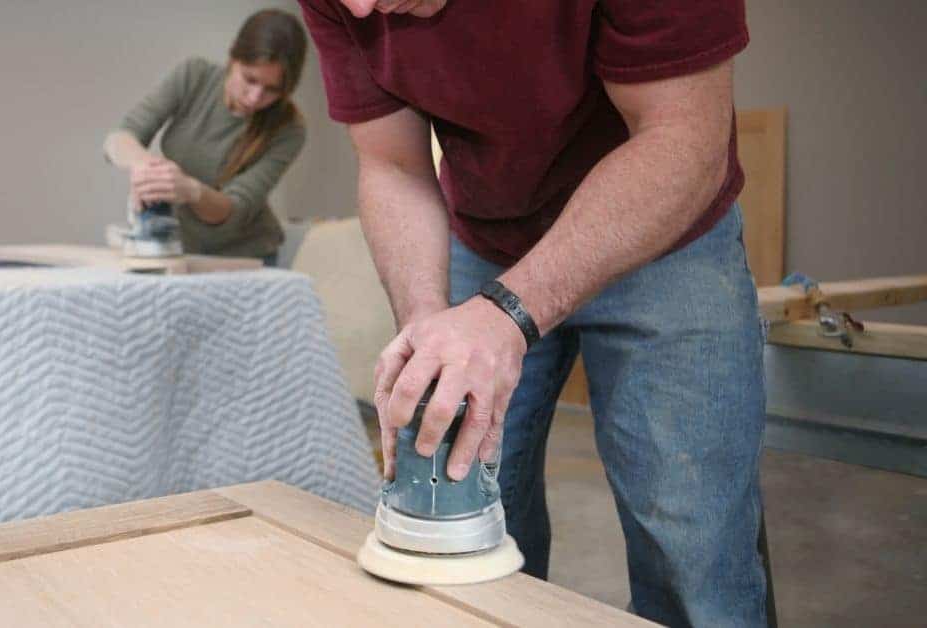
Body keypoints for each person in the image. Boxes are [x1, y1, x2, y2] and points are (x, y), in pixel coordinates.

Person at [298, 1, 768, 626]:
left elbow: (684, 136)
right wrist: (428, 325)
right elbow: (393, 162)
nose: (357, 6)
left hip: (665, 231)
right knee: (458, 531)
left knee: (692, 548)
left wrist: (510, 313)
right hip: (488, 230)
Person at [104, 9, 308, 264]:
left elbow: (234, 210)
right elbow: (119, 138)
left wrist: (190, 189)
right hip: (185, 250)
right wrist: (150, 168)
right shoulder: (194, 76)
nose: (255, 97)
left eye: (272, 90)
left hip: (247, 256)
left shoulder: (289, 130)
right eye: (250, 79)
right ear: (233, 57)